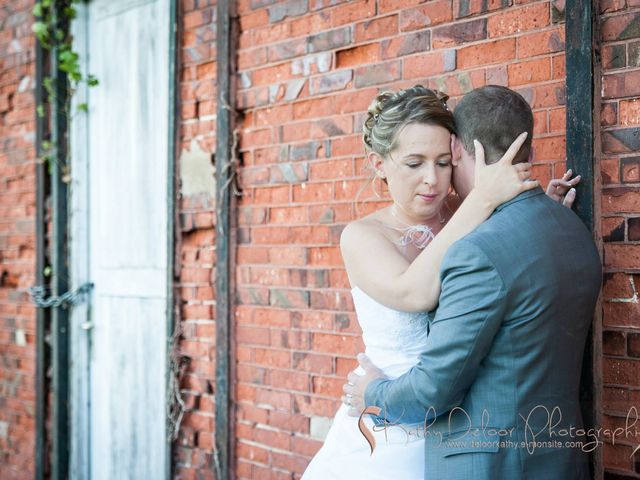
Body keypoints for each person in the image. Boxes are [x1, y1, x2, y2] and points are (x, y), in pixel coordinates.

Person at [301, 85, 583, 479]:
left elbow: (506, 252)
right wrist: (483, 201)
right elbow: (413, 292)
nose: (432, 180)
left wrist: (536, 216)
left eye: (442, 162)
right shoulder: (363, 236)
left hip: (465, 426)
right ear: (379, 163)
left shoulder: (463, 209)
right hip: (392, 421)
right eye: (414, 163)